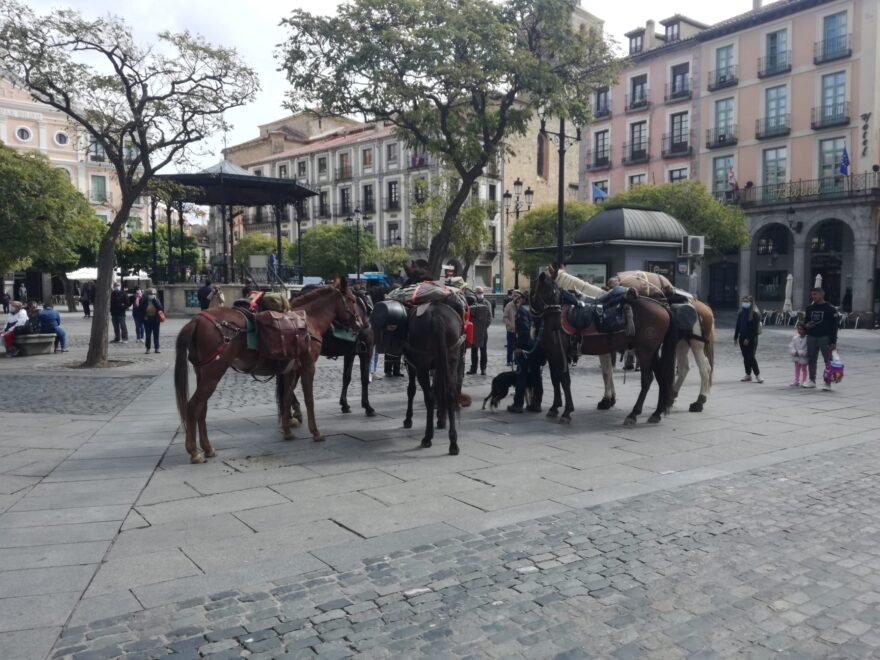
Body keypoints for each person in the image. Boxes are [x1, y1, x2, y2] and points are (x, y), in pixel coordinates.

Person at [508, 292, 543, 413]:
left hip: (526, 349)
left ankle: (518, 404)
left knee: (521, 376)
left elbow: (524, 331)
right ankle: (536, 403)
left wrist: (518, 347)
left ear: (523, 300)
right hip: (536, 348)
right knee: (536, 376)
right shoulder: (536, 312)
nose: (515, 300)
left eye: (518, 298)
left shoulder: (522, 312)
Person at [803, 286, 839, 390]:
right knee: (811, 359)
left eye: (815, 294)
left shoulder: (830, 309)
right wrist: (806, 326)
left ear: (822, 294)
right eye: (812, 294)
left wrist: (833, 341)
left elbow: (834, 327)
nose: (813, 296)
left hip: (825, 337)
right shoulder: (809, 308)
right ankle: (812, 380)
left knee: (828, 360)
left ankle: (827, 382)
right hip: (811, 336)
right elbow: (806, 323)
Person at [734, 295, 763, 383]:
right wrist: (735, 337)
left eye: (746, 302)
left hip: (751, 338)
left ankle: (758, 375)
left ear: (751, 303)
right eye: (743, 302)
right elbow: (738, 325)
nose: (744, 303)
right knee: (745, 357)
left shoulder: (754, 314)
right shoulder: (741, 312)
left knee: (751, 356)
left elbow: (754, 329)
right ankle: (748, 374)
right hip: (742, 337)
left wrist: (748, 338)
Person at [467, 286, 491, 375]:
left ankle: (483, 369)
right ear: (475, 293)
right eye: (478, 293)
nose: (480, 294)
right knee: (474, 351)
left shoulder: (487, 303)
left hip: (483, 332)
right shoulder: (472, 303)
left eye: (481, 292)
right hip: (474, 331)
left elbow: (489, 317)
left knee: (483, 350)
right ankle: (473, 368)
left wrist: (484, 327)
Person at [139, 288, 164, 354]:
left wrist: (154, 300)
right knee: (148, 335)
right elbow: (140, 310)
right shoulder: (144, 300)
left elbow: (160, 308)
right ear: (147, 294)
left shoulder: (156, 300)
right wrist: (144, 316)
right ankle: (148, 348)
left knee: (156, 335)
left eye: (154, 294)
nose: (152, 295)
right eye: (151, 294)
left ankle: (157, 348)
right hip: (147, 320)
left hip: (156, 320)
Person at [503, 291, 520, 366]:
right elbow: (505, 317)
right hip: (511, 330)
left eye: (518, 296)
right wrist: (510, 325)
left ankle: (517, 360)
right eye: (515, 296)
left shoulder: (520, 306)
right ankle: (509, 360)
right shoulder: (509, 306)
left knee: (518, 346)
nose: (517, 298)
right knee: (510, 346)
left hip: (519, 330)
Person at [789, 323, 808, 387]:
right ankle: (796, 381)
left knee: (804, 369)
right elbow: (791, 345)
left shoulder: (807, 338)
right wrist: (794, 352)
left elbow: (807, 348)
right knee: (797, 369)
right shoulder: (795, 338)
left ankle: (804, 381)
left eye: (801, 329)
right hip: (796, 356)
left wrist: (800, 352)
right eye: (798, 329)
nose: (799, 331)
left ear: (805, 330)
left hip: (803, 357)